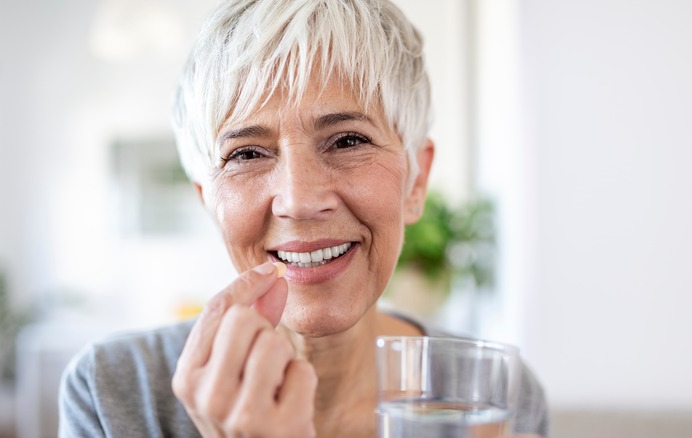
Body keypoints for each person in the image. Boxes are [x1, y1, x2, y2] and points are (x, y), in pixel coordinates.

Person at [58, 0, 548, 436]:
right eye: (247, 154)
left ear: (415, 181)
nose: (298, 199)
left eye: (348, 141)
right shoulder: (111, 395)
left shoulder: (491, 394)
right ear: (209, 200)